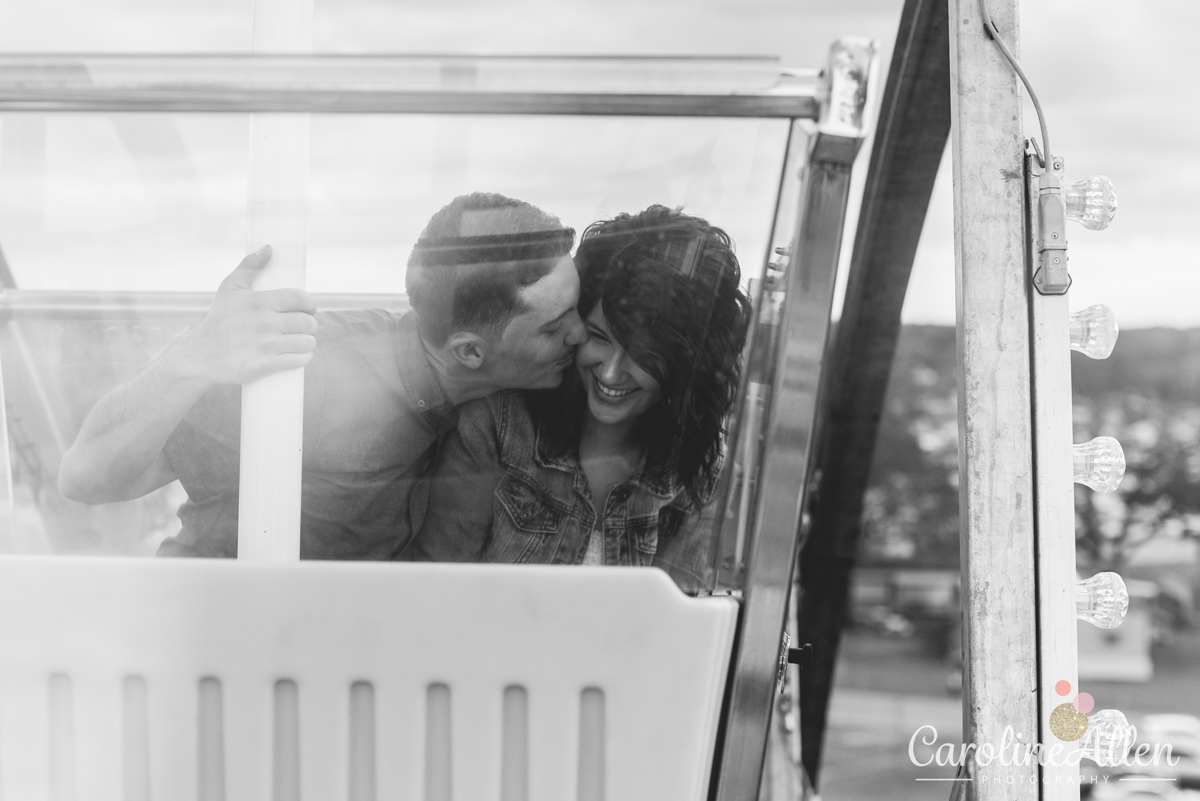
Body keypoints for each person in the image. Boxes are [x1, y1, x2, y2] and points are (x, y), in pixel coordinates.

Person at [58, 192, 588, 559]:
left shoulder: (495, 401)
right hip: (206, 651)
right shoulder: (316, 371)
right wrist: (192, 356)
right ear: (469, 352)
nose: (582, 335)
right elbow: (85, 477)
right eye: (554, 327)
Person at [404, 205, 752, 591]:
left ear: (687, 365)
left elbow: (674, 629)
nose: (610, 373)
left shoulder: (700, 469)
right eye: (599, 337)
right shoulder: (496, 425)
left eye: (646, 356)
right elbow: (435, 592)